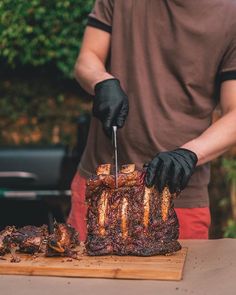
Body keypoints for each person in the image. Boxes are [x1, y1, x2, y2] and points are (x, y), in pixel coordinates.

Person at [68, 0, 236, 241]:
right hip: (100, 187)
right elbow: (88, 57)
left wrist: (189, 153)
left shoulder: (231, 15)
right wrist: (101, 80)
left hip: (177, 195)